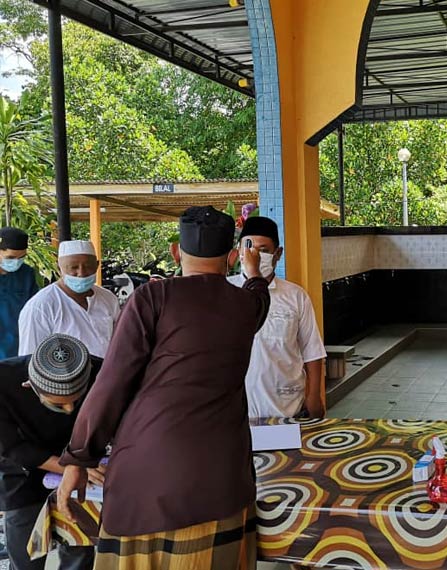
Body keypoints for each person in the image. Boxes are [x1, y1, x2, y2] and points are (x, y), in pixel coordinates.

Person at [55, 206, 270, 570]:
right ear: (231, 256)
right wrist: (252, 274)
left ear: (175, 252)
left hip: (146, 475)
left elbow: (112, 383)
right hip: (221, 477)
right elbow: (259, 298)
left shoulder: (151, 299)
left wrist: (79, 457)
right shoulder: (244, 305)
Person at [0, 334, 103, 570]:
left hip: (81, 462)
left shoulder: (101, 371)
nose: (68, 411)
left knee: (79, 550)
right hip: (23, 472)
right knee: (28, 554)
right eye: (57, 405)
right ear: (29, 385)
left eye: (75, 402)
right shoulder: (3, 381)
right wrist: (72, 466)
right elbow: (12, 447)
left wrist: (80, 463)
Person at [228, 216, 327, 419]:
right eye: (249, 248)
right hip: (235, 413)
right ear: (238, 251)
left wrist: (314, 397)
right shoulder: (225, 291)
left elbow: (312, 351)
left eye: (263, 251)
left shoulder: (295, 296)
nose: (254, 256)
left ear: (278, 254)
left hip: (287, 406)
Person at [18, 241, 119, 359]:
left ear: (97, 266)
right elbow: (30, 359)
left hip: (109, 375)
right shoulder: (41, 306)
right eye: (73, 267)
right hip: (66, 377)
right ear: (58, 267)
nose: (81, 273)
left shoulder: (108, 299)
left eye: (88, 266)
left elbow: (121, 340)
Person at [0, 227, 39, 359]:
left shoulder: (26, 274)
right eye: (10, 257)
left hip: (20, 349)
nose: (16, 262)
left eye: (21, 257)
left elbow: (35, 310)